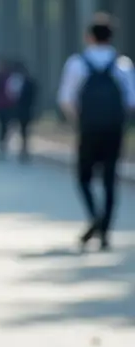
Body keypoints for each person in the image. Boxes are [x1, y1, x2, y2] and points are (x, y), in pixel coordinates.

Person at [57, 13, 135, 250]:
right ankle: (105, 230)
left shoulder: (77, 63)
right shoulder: (122, 65)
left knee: (84, 177)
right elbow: (131, 101)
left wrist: (79, 121)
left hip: (88, 129)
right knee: (110, 179)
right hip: (114, 129)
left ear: (89, 36)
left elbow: (66, 99)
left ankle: (95, 217)